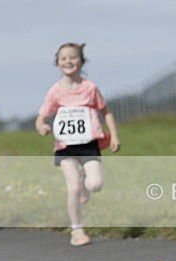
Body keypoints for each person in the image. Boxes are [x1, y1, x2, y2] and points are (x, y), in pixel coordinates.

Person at [35, 42, 120, 246]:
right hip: (65, 146)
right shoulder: (55, 91)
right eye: (63, 58)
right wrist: (42, 127)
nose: (68, 61)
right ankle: (77, 230)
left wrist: (114, 136)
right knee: (72, 188)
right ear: (57, 63)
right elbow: (41, 117)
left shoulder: (90, 88)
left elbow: (106, 112)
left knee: (96, 184)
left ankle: (85, 182)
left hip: (89, 143)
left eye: (73, 57)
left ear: (82, 62)